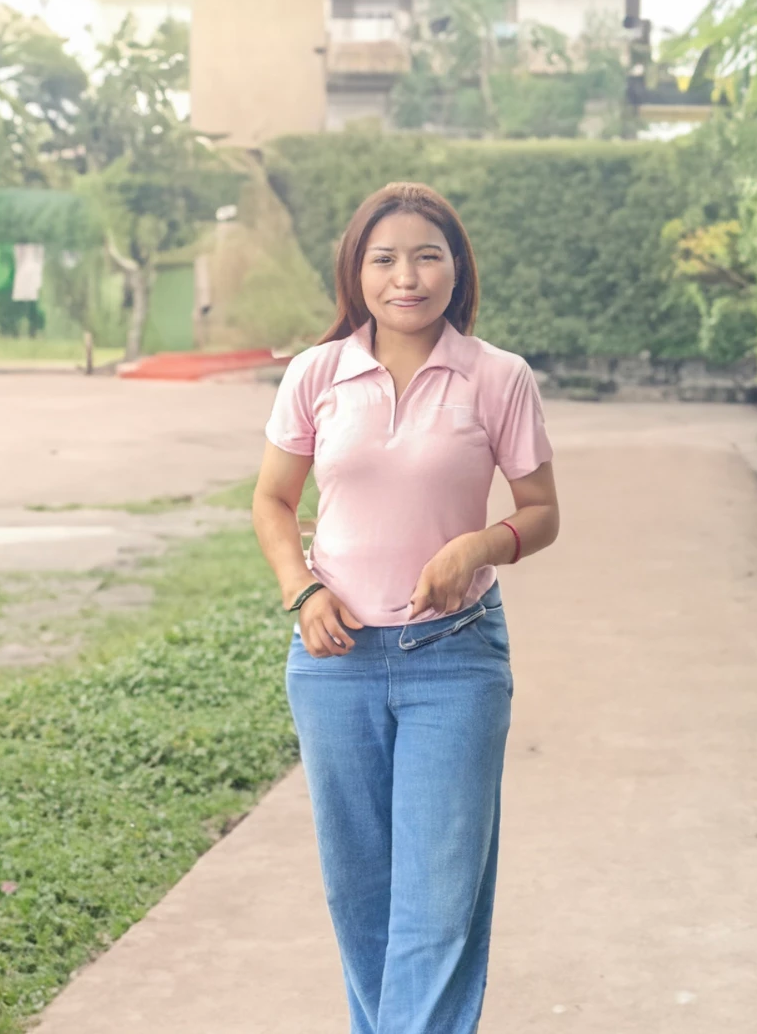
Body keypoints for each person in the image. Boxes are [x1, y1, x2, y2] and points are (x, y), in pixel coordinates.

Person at [252, 182, 559, 1034]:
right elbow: (273, 500)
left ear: (457, 269)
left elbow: (541, 512)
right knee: (360, 897)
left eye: (428, 256)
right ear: (357, 271)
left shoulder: (497, 377)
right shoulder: (317, 373)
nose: (407, 277)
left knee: (438, 904)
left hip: (454, 659)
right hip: (335, 662)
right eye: (384, 259)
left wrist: (478, 547)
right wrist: (301, 588)